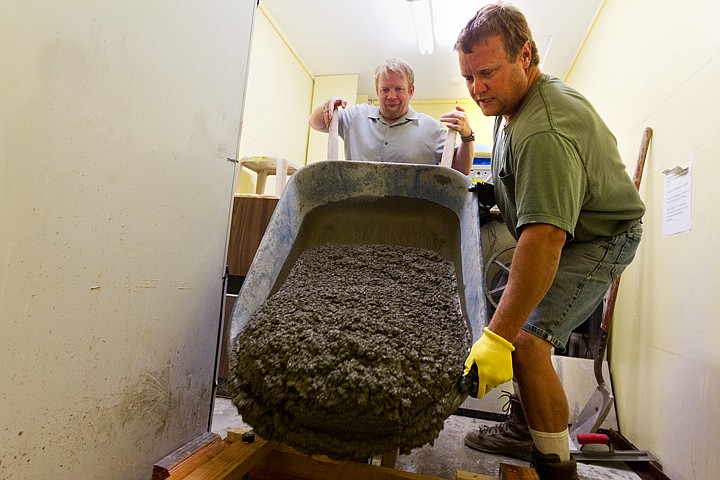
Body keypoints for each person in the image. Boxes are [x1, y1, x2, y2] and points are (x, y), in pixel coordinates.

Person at [454, 3, 645, 480]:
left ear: (526, 55)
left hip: (600, 238)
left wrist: (497, 339)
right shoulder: (512, 105)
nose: (478, 89)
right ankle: (526, 423)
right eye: (469, 77)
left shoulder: (546, 129)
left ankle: (556, 467)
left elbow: (544, 239)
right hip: (561, 230)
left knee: (524, 342)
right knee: (512, 314)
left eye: (487, 73)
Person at [308, 57, 474, 174]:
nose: (391, 96)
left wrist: (467, 136)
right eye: (385, 90)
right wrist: (327, 105)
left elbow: (461, 169)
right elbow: (317, 124)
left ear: (411, 91)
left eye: (399, 89)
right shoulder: (356, 116)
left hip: (410, 217)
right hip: (357, 213)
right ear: (377, 91)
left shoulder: (430, 128)